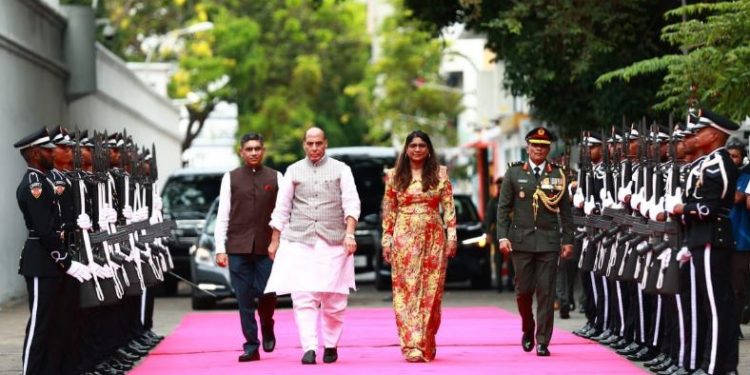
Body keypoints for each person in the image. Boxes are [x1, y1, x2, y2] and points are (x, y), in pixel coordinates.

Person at [265, 127, 360, 365]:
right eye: (310, 144)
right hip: (300, 241)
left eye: (318, 143)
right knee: (303, 296)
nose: (314, 148)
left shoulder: (342, 169)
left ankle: (330, 343)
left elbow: (351, 203)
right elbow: (282, 207)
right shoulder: (293, 170)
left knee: (334, 298)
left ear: (325, 143)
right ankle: (308, 347)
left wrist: (350, 234)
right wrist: (275, 240)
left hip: (334, 241)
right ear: (304, 144)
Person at [666, 108, 740, 375]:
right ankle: (722, 365)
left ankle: (714, 367)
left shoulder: (719, 163)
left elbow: (711, 207)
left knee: (716, 308)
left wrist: (681, 209)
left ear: (714, 134)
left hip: (711, 238)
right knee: (711, 306)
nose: (695, 136)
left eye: (700, 131)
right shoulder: (705, 162)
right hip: (699, 237)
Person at [15, 127, 93, 375]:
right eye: (48, 150)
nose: (54, 153)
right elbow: (46, 231)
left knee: (56, 324)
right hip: (40, 261)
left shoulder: (45, 182)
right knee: (40, 325)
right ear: (35, 153)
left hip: (50, 261)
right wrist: (66, 261)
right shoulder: (34, 185)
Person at [496, 126, 575, 357]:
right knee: (523, 291)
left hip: (549, 242)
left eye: (543, 146)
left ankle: (543, 340)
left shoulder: (558, 174)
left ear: (548, 149)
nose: (538, 149)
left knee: (546, 293)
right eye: (534, 145)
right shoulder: (513, 173)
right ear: (527, 147)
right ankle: (528, 327)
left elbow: (566, 212)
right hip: (520, 242)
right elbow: (503, 209)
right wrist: (503, 236)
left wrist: (568, 239)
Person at [380, 130, 457, 363]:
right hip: (404, 239)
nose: (417, 149)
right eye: (412, 145)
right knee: (407, 291)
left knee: (431, 291)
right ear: (406, 149)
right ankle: (411, 345)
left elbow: (449, 208)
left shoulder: (439, 173)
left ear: (428, 149)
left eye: (422, 145)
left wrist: (452, 236)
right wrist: (387, 239)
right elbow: (389, 211)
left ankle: (427, 339)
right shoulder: (394, 176)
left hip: (433, 237)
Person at [213, 132, 279, 362]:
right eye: (248, 149)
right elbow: (223, 215)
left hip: (267, 247)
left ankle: (268, 324)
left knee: (267, 293)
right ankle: (251, 345)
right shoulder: (229, 178)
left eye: (257, 149)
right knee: (244, 298)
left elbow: (283, 216)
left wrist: (280, 242)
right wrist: (219, 248)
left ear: (263, 151)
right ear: (241, 152)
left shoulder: (276, 176)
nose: (253, 153)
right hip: (238, 246)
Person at [726, 138, 750, 338]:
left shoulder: (745, 175)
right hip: (721, 237)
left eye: (735, 156)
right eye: (729, 156)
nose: (731, 160)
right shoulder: (723, 174)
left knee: (738, 286)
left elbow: (739, 197)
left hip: (741, 239)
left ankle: (734, 324)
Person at [484, 177, 515, 293]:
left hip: (511, 232)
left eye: (502, 186)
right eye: (499, 186)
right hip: (498, 233)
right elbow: (488, 219)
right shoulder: (493, 201)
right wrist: (488, 233)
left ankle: (510, 283)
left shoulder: (512, 200)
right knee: (498, 259)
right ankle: (499, 285)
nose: (500, 188)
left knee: (512, 260)